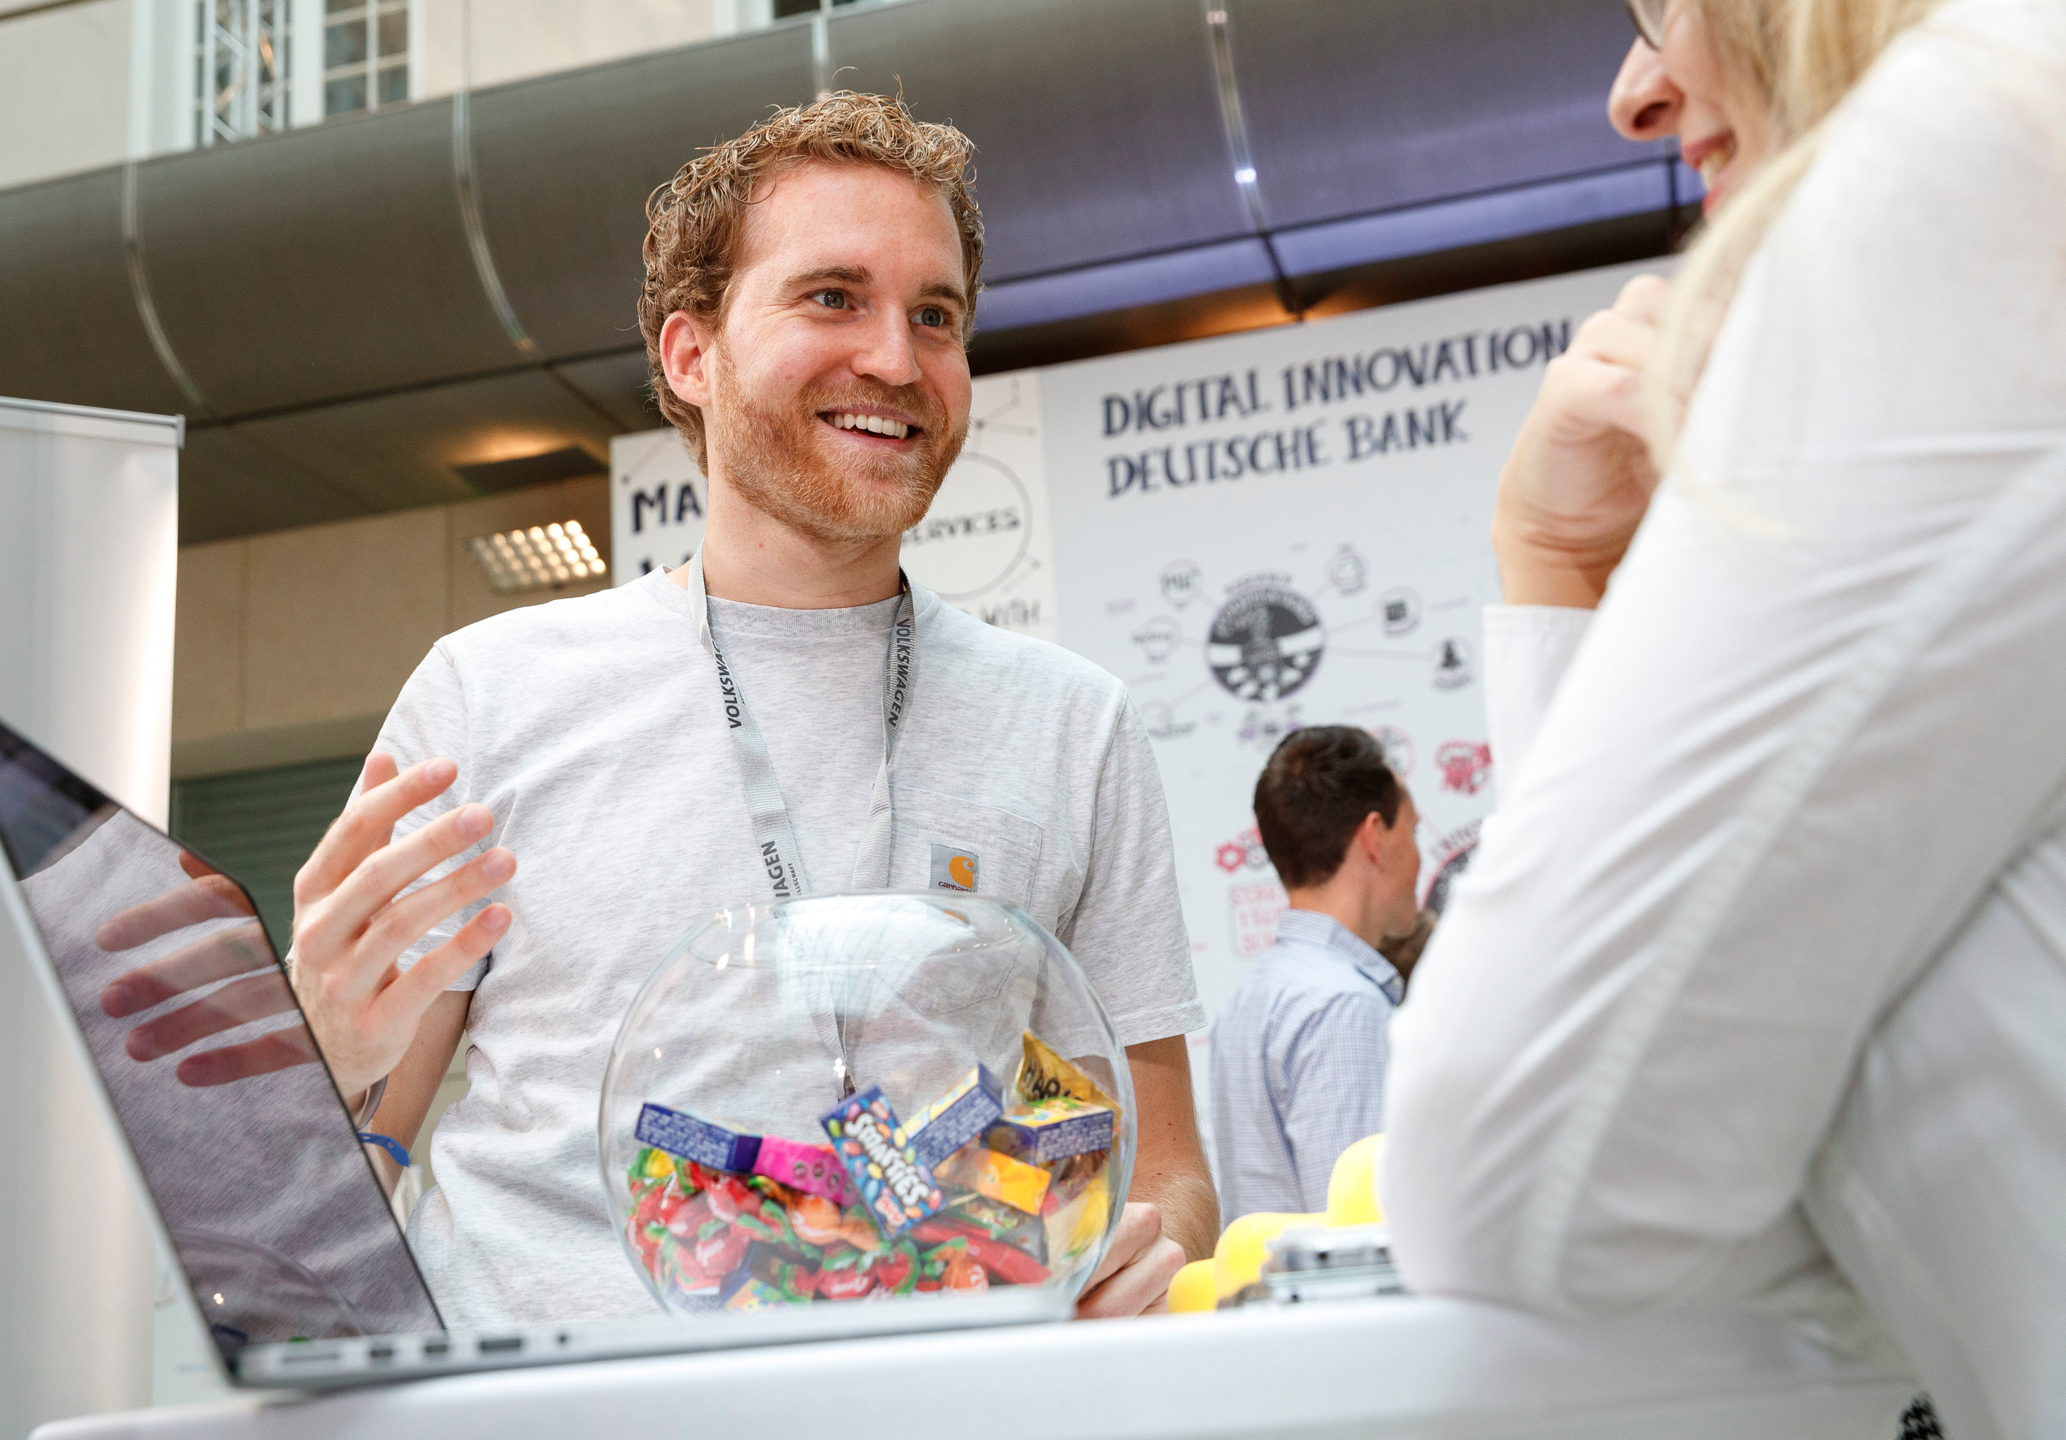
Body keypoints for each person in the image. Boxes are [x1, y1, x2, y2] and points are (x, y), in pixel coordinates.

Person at [110, 93, 1216, 1323]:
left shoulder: (1074, 725)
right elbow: (359, 1157)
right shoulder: (492, 696)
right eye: (832, 296)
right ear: (691, 357)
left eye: (936, 315)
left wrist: (1131, 1255)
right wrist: (313, 1045)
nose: (897, 361)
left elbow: (1161, 1163)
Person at [1381, 1, 2066, 1435]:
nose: (1638, 91)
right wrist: (1565, 579)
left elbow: (1520, 1183)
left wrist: (1555, 584)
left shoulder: (1978, 141)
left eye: (1666, 3)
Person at [1209, 727, 1423, 1221]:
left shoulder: (1249, 998)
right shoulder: (1344, 1004)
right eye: (1412, 832)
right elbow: (1358, 1232)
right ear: (1374, 837)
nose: (1418, 859)